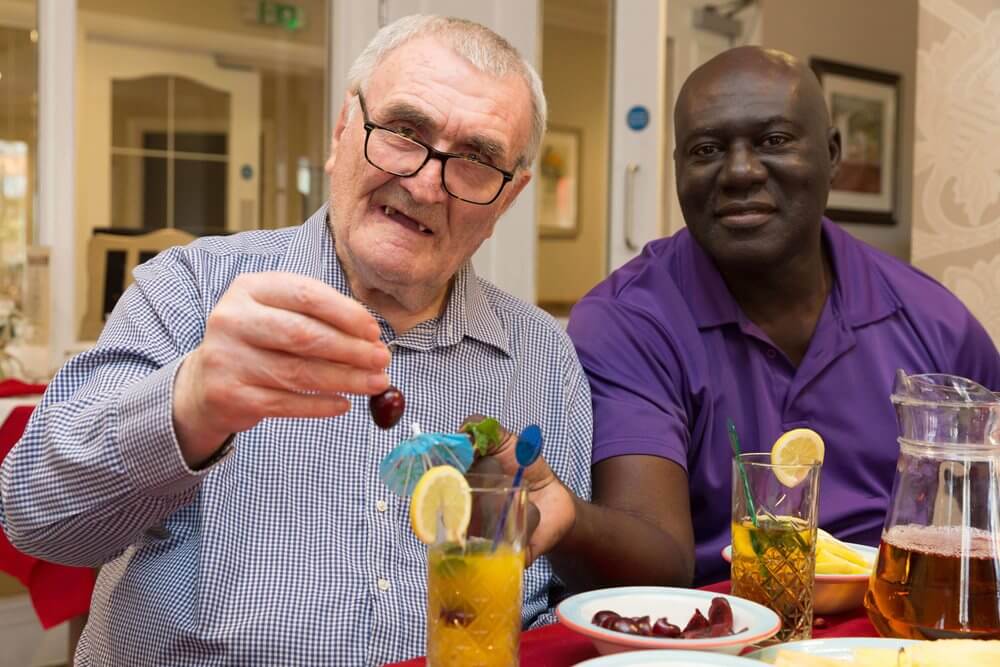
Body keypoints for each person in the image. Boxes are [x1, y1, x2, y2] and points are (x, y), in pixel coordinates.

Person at [0, 15, 592, 666]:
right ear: (344, 131)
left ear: (508, 198)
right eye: (402, 131)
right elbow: (39, 519)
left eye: (477, 159)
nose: (426, 183)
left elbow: (558, 603)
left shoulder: (543, 357)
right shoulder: (192, 289)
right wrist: (190, 405)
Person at [564, 46, 1000, 587]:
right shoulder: (628, 322)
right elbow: (651, 567)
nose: (740, 172)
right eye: (706, 149)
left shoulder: (930, 321)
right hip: (707, 635)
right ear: (677, 168)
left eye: (774, 141)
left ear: (833, 154)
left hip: (885, 634)